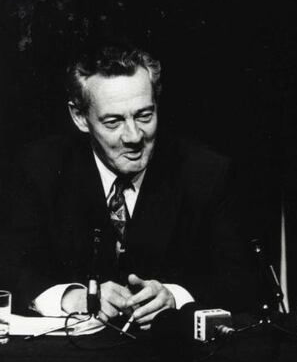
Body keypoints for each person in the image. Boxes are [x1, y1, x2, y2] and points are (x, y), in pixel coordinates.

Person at [4, 44, 257, 326]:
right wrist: (71, 298)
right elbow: (13, 266)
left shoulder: (208, 173)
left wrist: (174, 297)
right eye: (113, 122)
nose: (134, 136)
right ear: (79, 117)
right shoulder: (38, 168)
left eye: (144, 116)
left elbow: (241, 280)